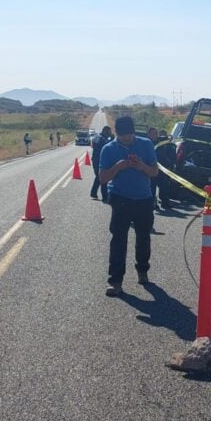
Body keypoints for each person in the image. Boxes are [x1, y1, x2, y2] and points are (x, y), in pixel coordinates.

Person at [99, 116, 159, 296]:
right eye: (123, 137)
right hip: (120, 199)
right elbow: (102, 178)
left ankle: (143, 271)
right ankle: (116, 282)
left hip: (143, 199)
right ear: (116, 133)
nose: (127, 140)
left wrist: (141, 166)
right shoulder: (108, 149)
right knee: (118, 241)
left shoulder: (146, 144)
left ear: (134, 132)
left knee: (143, 238)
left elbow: (154, 172)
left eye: (130, 136)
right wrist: (118, 167)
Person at [90, 125, 112, 202]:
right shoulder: (100, 138)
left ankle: (93, 192)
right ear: (105, 131)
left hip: (97, 160)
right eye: (109, 132)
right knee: (102, 177)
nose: (110, 134)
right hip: (97, 160)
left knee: (99, 177)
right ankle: (104, 196)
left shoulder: (98, 137)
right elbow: (103, 145)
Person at [155, 129, 176, 208]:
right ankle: (158, 202)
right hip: (158, 167)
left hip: (164, 168)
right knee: (159, 185)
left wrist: (170, 166)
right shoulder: (154, 142)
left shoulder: (169, 144)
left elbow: (173, 156)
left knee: (163, 185)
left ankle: (163, 201)